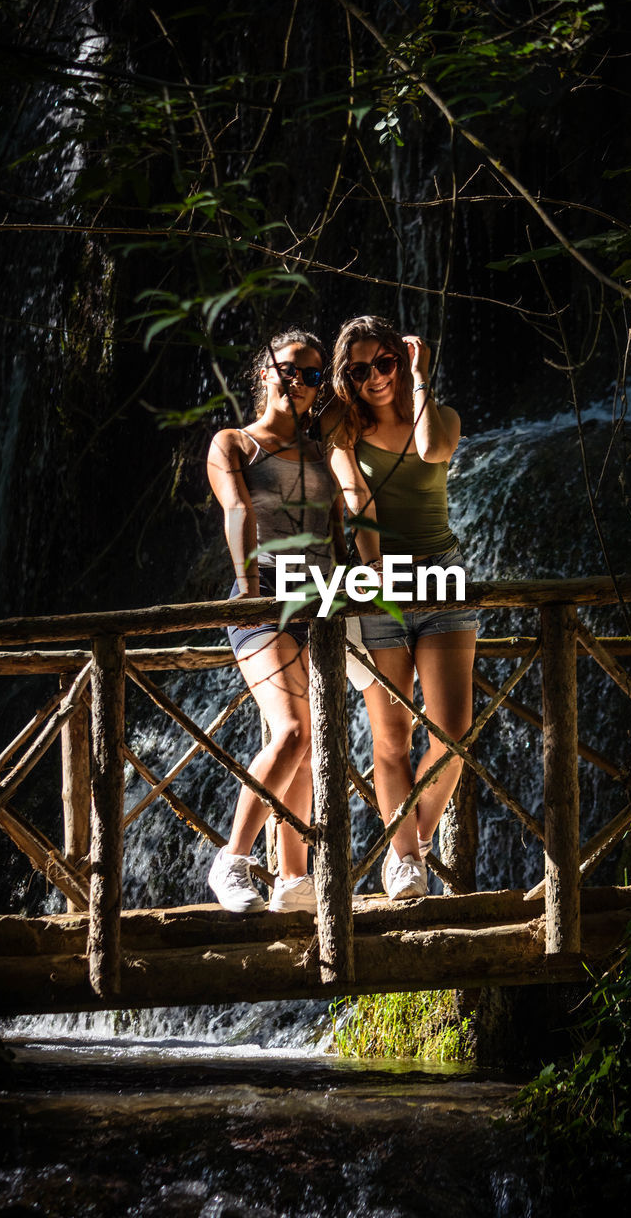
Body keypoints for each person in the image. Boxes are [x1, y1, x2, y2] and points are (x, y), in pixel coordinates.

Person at [330, 315, 477, 901]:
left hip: (444, 579)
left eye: (384, 363)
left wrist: (419, 378)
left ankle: (405, 839)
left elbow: (430, 448)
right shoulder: (342, 426)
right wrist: (374, 579)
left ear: (402, 359)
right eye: (359, 370)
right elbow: (355, 499)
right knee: (391, 739)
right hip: (381, 590)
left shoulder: (442, 418)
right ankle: (407, 863)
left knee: (454, 733)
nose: (373, 378)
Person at [206, 328, 342, 914]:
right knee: (290, 730)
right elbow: (238, 511)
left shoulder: (325, 452)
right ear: (265, 370)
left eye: (313, 376)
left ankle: (292, 877)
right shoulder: (234, 443)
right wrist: (248, 591)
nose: (300, 382)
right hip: (260, 602)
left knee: (309, 746)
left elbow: (341, 533)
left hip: (322, 607)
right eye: (290, 368)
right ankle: (231, 860)